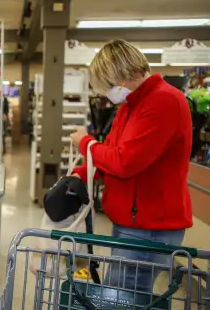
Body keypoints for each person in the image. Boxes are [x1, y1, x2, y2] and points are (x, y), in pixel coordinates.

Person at [69, 39, 192, 292]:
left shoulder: (163, 101)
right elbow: (113, 153)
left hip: (149, 228)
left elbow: (125, 162)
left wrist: (86, 144)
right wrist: (81, 174)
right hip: (131, 223)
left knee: (125, 309)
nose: (107, 94)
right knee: (122, 302)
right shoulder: (130, 107)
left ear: (123, 75)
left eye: (108, 86)